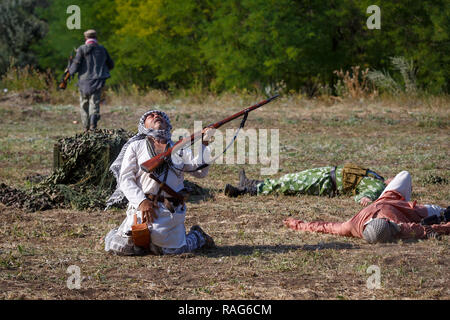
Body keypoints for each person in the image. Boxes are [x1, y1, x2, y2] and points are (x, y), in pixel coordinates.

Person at [104, 110, 216, 255]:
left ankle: (199, 236)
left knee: (173, 250)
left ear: (167, 124)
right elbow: (125, 179)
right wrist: (141, 202)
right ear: (143, 126)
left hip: (168, 213)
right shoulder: (136, 146)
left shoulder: (179, 149)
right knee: (122, 247)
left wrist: (204, 143)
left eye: (161, 116)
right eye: (151, 116)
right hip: (142, 210)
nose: (157, 116)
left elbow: (200, 171)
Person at [283, 171, 450, 243]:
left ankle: (389, 186)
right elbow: (425, 230)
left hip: (386, 197)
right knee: (442, 212)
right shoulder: (399, 228)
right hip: (410, 211)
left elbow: (325, 227)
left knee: (405, 174)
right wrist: (445, 227)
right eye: (394, 227)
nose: (395, 226)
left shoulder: (350, 226)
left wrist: (296, 224)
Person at [225, 164, 390, 206]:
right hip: (327, 173)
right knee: (290, 178)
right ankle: (253, 184)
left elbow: (364, 197)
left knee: (290, 183)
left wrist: (367, 198)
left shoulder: (379, 187)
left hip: (326, 183)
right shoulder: (377, 179)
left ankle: (245, 190)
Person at [68, 29, 114, 131]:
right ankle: (93, 125)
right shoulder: (102, 49)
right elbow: (111, 65)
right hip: (97, 81)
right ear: (96, 37)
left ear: (86, 38)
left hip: (84, 82)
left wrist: (69, 72)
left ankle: (86, 127)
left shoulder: (81, 49)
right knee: (94, 103)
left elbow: (75, 66)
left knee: (84, 104)